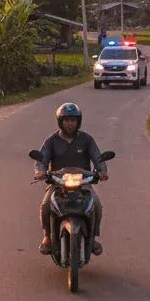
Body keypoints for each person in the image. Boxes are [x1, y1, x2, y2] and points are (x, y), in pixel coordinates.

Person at [33, 102, 108, 255]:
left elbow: (98, 158)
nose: (70, 123)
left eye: (73, 120)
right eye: (66, 120)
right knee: (46, 205)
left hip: (83, 183)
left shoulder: (87, 140)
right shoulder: (51, 141)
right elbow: (42, 160)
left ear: (78, 121)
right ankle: (47, 236)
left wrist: (102, 171)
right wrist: (40, 171)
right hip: (57, 183)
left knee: (97, 205)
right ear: (60, 121)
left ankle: (92, 237)